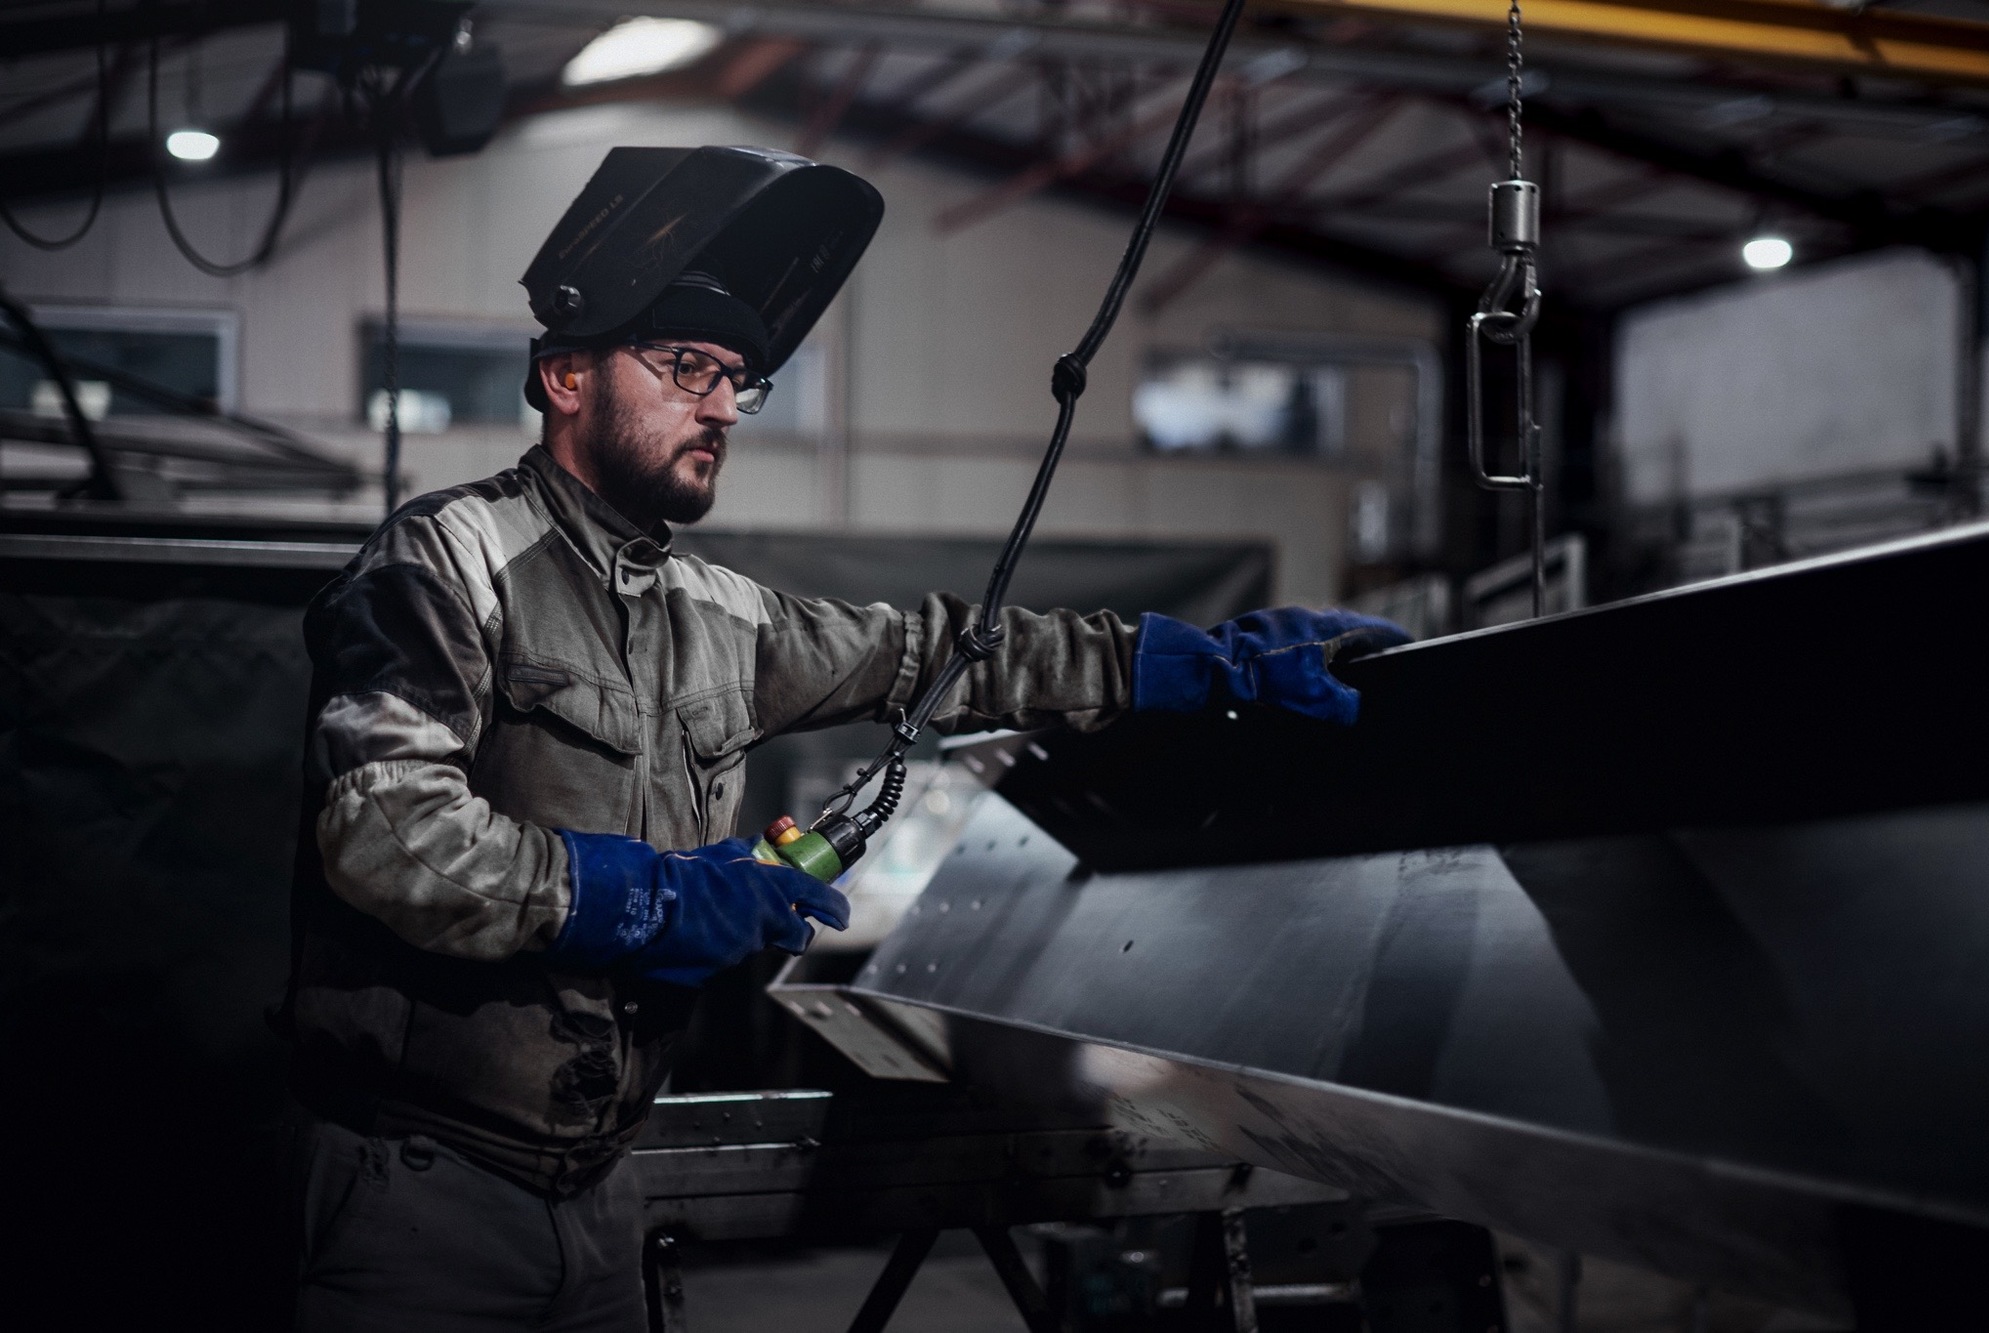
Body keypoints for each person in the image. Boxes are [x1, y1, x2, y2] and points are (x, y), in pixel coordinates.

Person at [283, 146, 1406, 1332]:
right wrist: (651, 901)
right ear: (565, 373)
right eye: (686, 367)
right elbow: (386, 832)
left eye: (738, 380)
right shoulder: (447, 561)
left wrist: (1193, 664)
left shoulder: (721, 616)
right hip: (420, 1192)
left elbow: (945, 654)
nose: (720, 405)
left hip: (600, 1193)